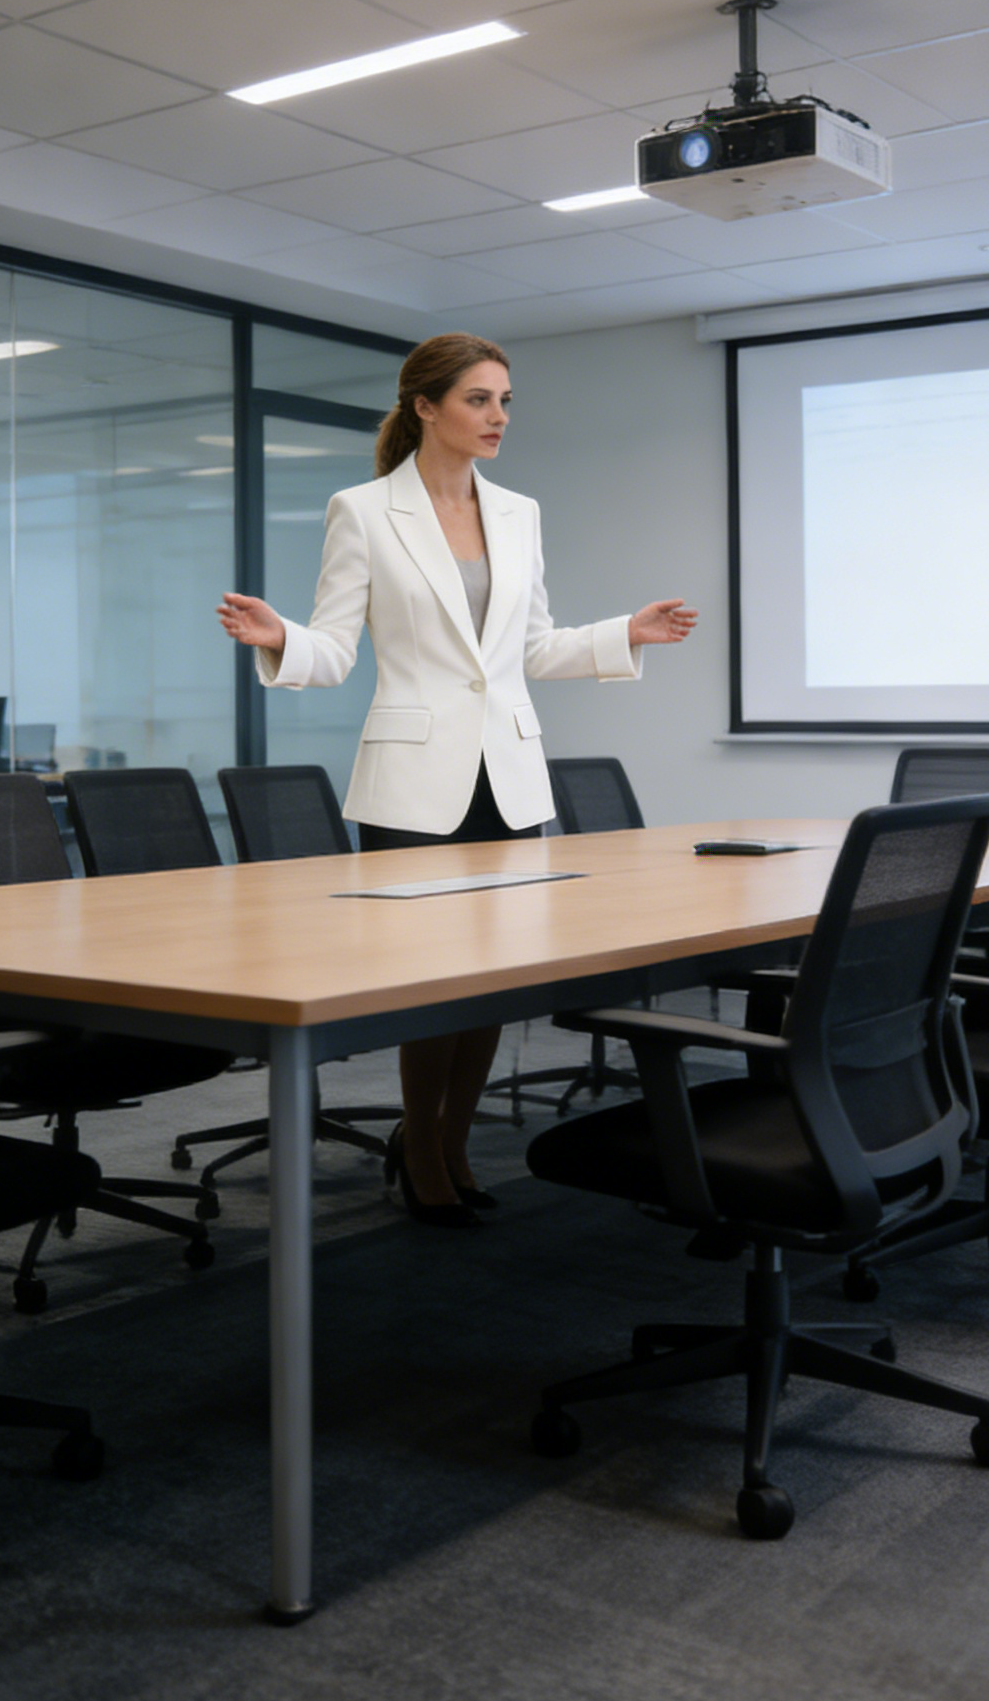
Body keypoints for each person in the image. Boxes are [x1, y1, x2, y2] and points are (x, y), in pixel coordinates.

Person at [216, 332, 697, 1229]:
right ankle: (421, 1146)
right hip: (412, 784)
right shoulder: (362, 510)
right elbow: (338, 647)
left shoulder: (519, 513)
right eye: (480, 400)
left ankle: (455, 1138)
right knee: (430, 984)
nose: (500, 418)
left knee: (494, 982)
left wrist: (623, 632)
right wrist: (280, 639)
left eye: (506, 401)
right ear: (425, 407)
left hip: (508, 777)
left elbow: (529, 649)